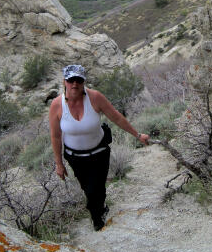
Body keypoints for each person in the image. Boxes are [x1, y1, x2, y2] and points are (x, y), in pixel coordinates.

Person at [49, 64, 150, 231]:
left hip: (99, 153)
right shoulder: (56, 105)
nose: (75, 84)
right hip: (75, 157)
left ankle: (98, 221)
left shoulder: (95, 98)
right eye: (71, 80)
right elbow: (56, 136)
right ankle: (99, 209)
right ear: (64, 82)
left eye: (79, 80)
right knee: (88, 188)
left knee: (97, 187)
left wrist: (138, 135)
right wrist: (59, 164)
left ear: (83, 82)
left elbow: (116, 118)